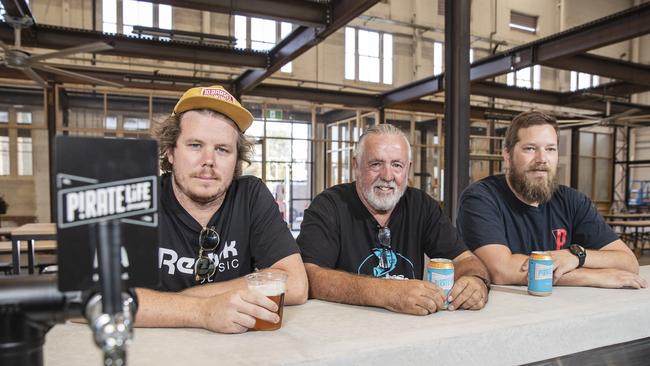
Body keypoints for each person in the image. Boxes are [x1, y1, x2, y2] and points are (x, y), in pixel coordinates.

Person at [137, 85, 308, 333]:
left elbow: (295, 284)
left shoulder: (250, 196)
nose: (209, 160)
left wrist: (177, 300)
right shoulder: (138, 199)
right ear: (170, 151)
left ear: (236, 159)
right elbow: (86, 299)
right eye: (195, 145)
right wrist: (203, 311)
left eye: (222, 149)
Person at [297, 124, 490, 315]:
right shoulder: (329, 205)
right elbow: (309, 276)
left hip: (407, 333)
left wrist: (474, 280)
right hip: (345, 331)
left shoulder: (421, 205)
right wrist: (387, 292)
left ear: (408, 169)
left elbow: (465, 259)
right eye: (376, 164)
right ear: (356, 165)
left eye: (397, 165)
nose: (387, 176)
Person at [457, 111, 646, 289]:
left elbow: (628, 262)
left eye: (550, 149)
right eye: (530, 148)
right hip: (505, 313)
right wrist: (590, 276)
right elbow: (502, 271)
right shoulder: (481, 198)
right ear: (507, 156)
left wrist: (576, 256)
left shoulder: (572, 201)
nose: (542, 159)